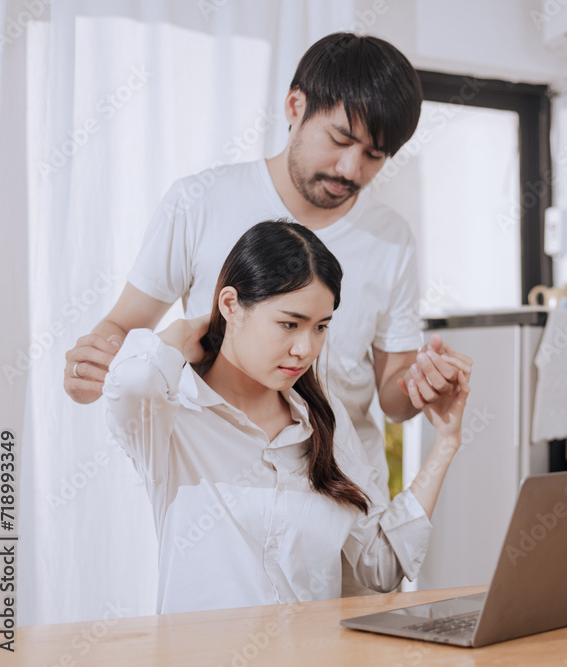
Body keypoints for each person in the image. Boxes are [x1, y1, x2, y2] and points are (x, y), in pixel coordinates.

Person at [63, 33, 468, 592]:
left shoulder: (391, 239)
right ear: (295, 106)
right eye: (341, 139)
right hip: (223, 478)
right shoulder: (200, 203)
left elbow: (393, 396)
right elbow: (123, 336)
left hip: (338, 485)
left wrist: (427, 392)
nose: (351, 168)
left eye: (375, 156)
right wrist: (96, 372)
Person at [104, 220, 470, 615]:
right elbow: (132, 381)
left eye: (320, 328)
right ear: (231, 305)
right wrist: (186, 331)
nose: (304, 348)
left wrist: (446, 443)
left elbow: (381, 566)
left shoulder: (324, 421)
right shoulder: (173, 414)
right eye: (289, 324)